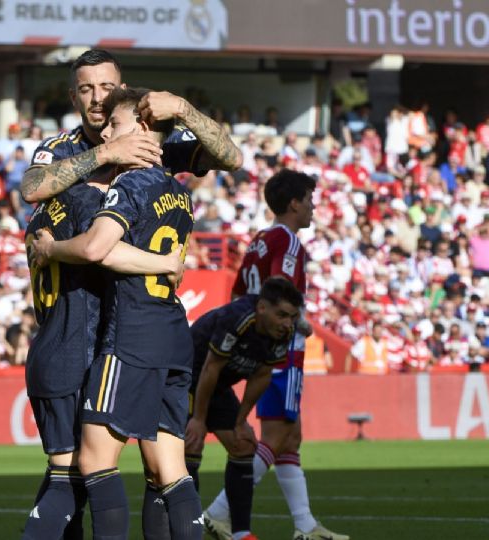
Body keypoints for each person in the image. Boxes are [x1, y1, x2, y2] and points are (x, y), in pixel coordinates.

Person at [33, 86, 199, 539]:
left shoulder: (130, 182)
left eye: (116, 125)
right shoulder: (179, 193)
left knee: (90, 462)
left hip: (131, 334)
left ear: (144, 130)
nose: (107, 132)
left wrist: (52, 248)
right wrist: (166, 263)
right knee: (170, 467)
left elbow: (96, 248)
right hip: (173, 332)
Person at [204, 170, 349, 540]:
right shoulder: (288, 242)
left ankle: (305, 525)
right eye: (310, 200)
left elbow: (241, 292)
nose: (314, 207)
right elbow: (277, 288)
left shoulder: (259, 240)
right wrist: (297, 323)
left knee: (291, 437)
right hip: (280, 347)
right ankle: (219, 511)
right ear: (295, 203)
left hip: (258, 338)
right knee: (275, 434)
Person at [19, 48, 242, 204]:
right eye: (86, 89)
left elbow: (233, 160)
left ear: (121, 90)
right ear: (73, 98)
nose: (97, 98)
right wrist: (107, 153)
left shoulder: (156, 138)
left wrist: (184, 109)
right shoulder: (61, 147)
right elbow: (30, 190)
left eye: (107, 86)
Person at [186, 278, 305, 540]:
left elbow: (262, 375)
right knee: (192, 445)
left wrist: (240, 420)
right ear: (262, 308)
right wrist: (198, 419)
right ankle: (188, 530)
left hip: (217, 384)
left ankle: (240, 532)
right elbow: (210, 367)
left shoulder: (282, 333)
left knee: (244, 446)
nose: (288, 323)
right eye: (282, 315)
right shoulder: (237, 318)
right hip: (186, 375)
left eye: (293, 317)